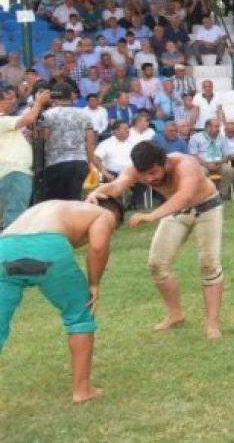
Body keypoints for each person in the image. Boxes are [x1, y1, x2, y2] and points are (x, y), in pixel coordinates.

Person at [86, 141, 226, 339]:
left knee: (209, 264)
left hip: (207, 208)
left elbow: (185, 196)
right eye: (144, 175)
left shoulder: (185, 164)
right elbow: (117, 186)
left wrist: (152, 216)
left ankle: (212, 324)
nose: (148, 179)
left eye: (153, 173)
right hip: (176, 211)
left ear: (165, 163)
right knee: (157, 264)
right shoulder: (137, 170)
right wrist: (96, 193)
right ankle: (176, 314)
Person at [0, 197, 123, 403]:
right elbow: (99, 245)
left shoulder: (54, 207)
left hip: (4, 248)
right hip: (47, 248)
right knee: (80, 312)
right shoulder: (105, 213)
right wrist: (94, 284)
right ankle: (82, 390)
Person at [0, 88, 50, 227]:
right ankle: (12, 245)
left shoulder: (7, 121)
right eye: (9, 99)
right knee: (15, 213)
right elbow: (28, 118)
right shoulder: (2, 119)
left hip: (13, 171)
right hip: (14, 171)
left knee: (13, 211)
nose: (13, 102)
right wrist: (38, 102)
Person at [39, 84, 97, 201]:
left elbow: (43, 137)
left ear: (53, 96)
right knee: (74, 200)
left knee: (55, 202)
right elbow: (90, 142)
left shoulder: (48, 115)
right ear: (71, 96)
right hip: (80, 161)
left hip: (55, 163)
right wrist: (90, 163)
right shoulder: (84, 114)